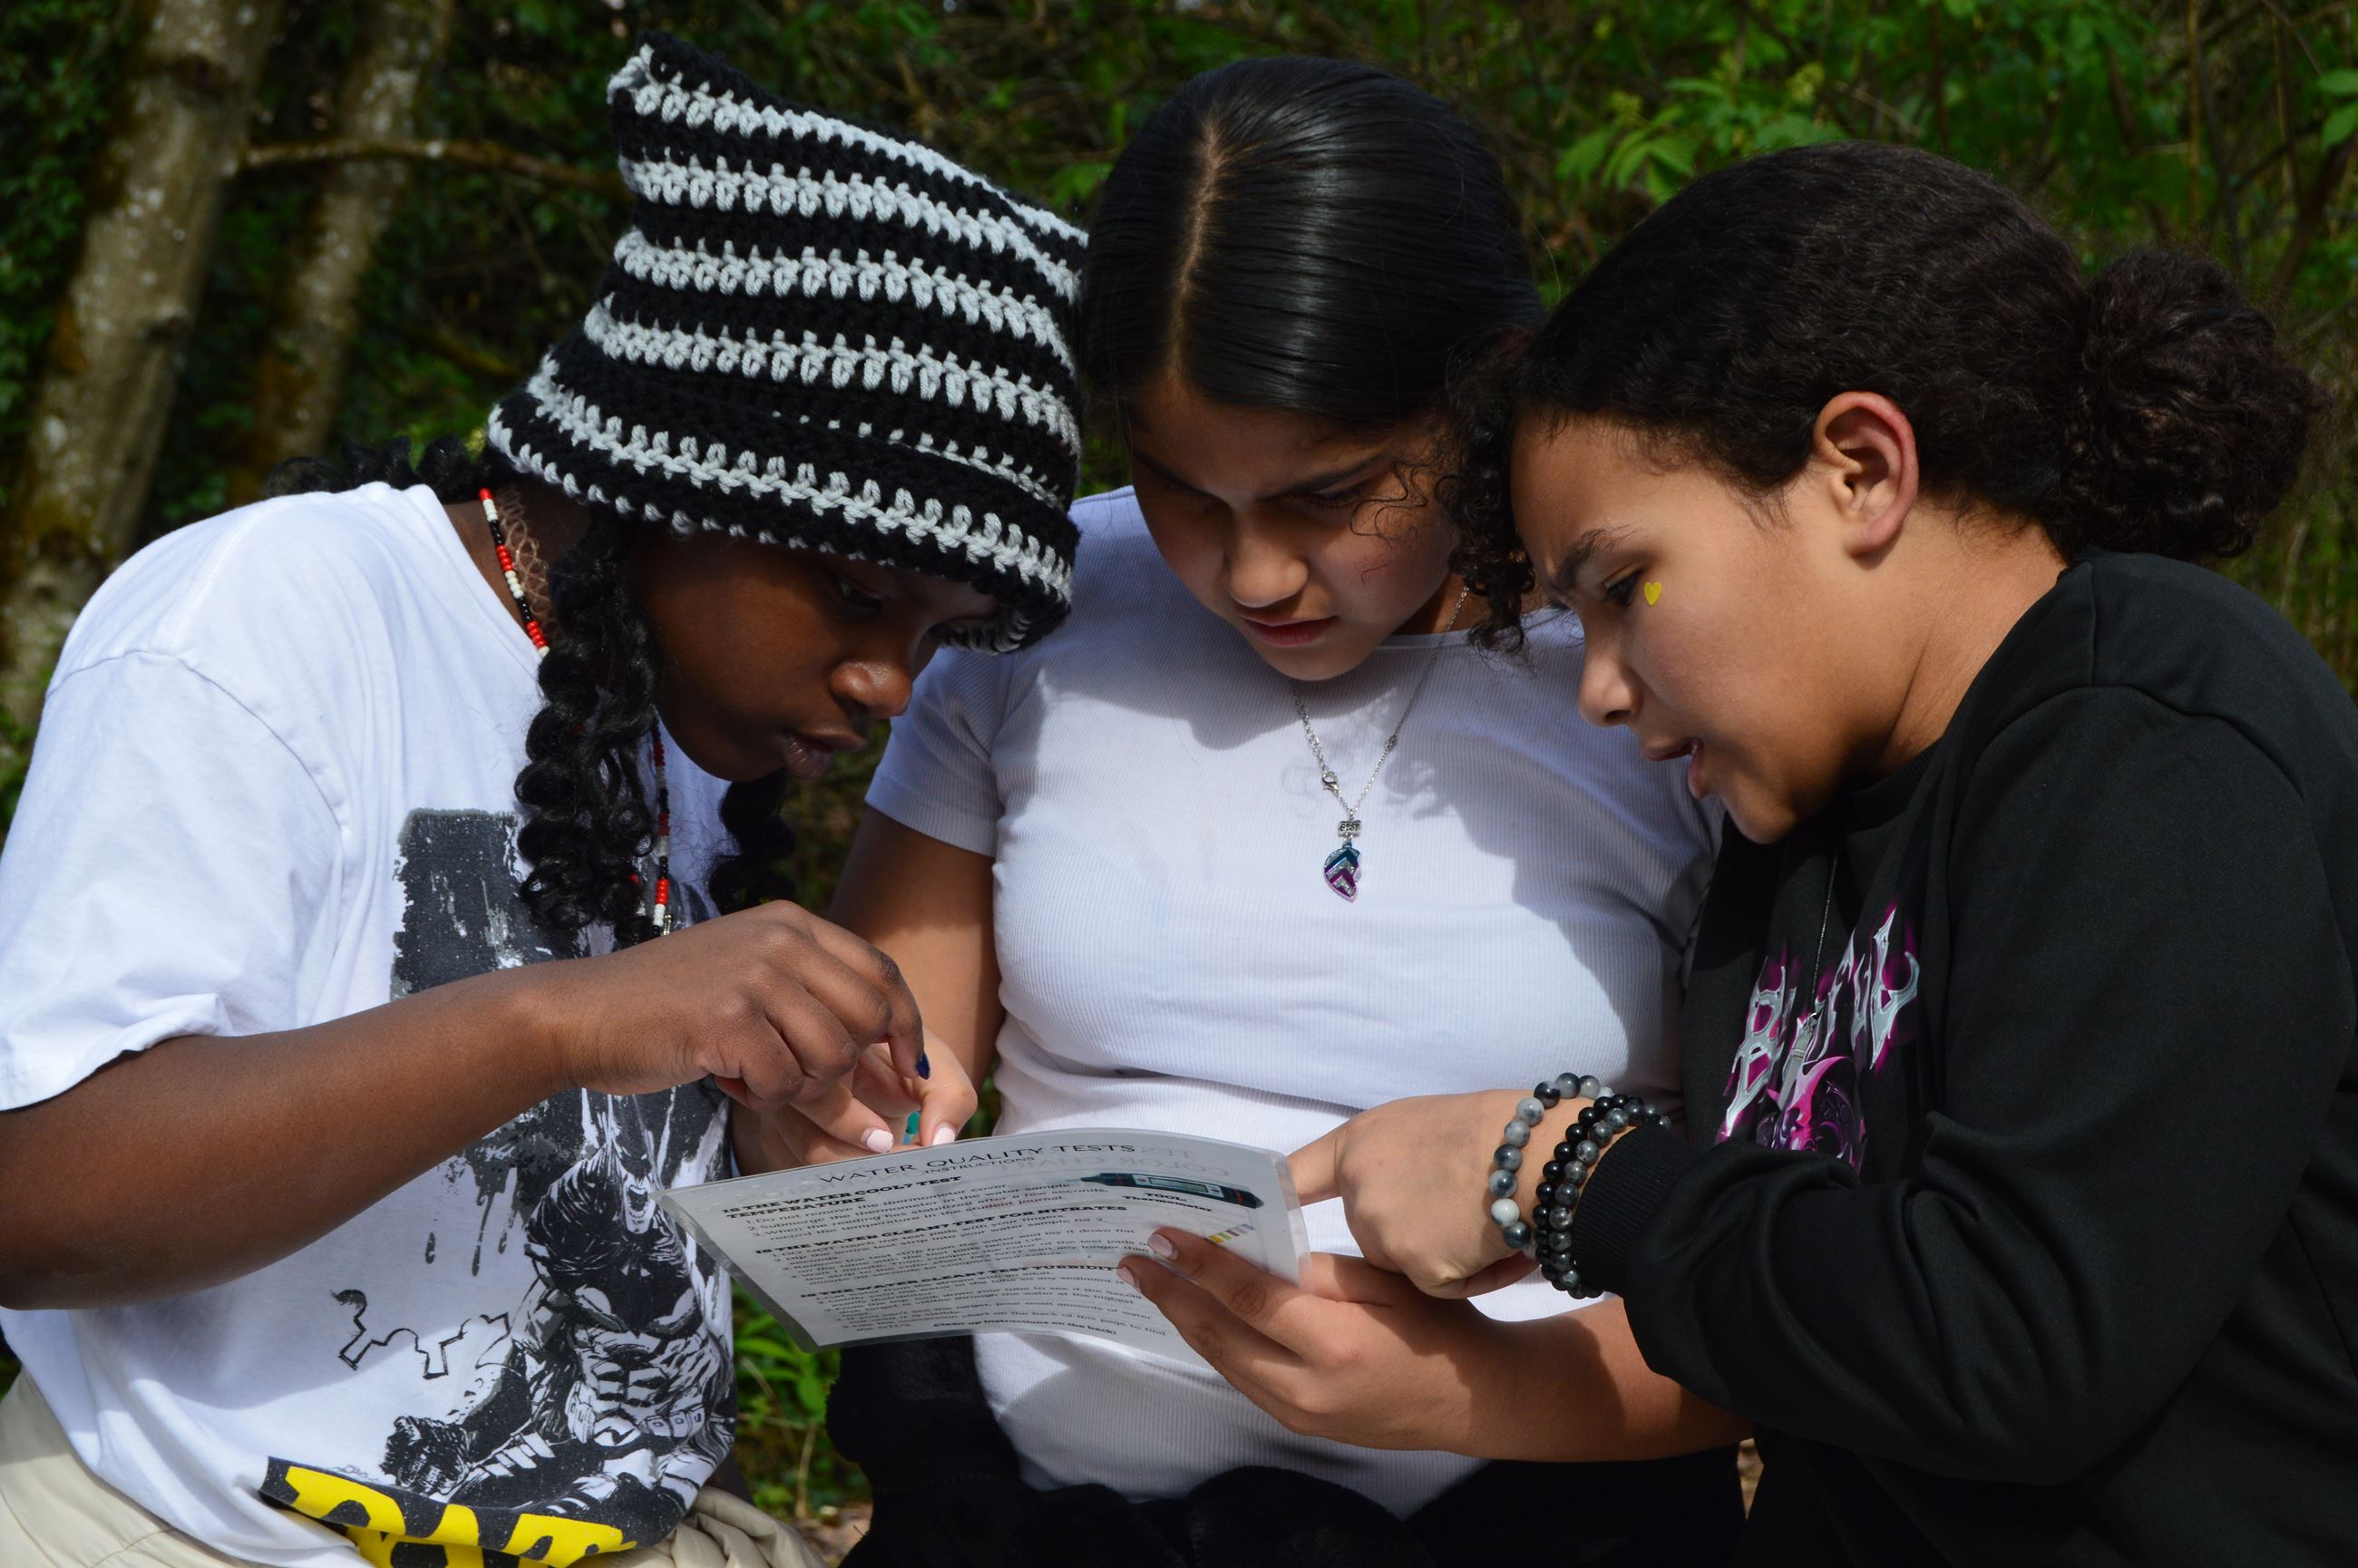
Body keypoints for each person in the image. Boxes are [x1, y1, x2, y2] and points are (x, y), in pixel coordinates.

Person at [1124, 141, 2358, 1566]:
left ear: (1858, 469)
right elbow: (1790, 1308)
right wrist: (1448, 1376)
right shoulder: (1791, 841)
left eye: (1624, 587)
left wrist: (1563, 1167)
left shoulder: (2154, 717)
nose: (1599, 685)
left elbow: (2018, 1341)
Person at [0, 33, 1078, 1568]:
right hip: (186, 1530)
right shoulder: (268, 615)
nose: (890, 683)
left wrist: (777, 1153)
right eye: (855, 592)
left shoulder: (671, 722)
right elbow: (40, 1200)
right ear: (670, 469)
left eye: (939, 634)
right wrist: (564, 1017)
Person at [801, 56, 1744, 1568]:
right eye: (1177, 489)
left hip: (1540, 1523)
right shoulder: (1033, 612)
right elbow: (872, 1110)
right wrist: (833, 1142)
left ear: (1488, 385)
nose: (1249, 576)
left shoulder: (1651, 667)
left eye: (1325, 495)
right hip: (1010, 1523)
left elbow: (1786, 1283)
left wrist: (1472, 1388)